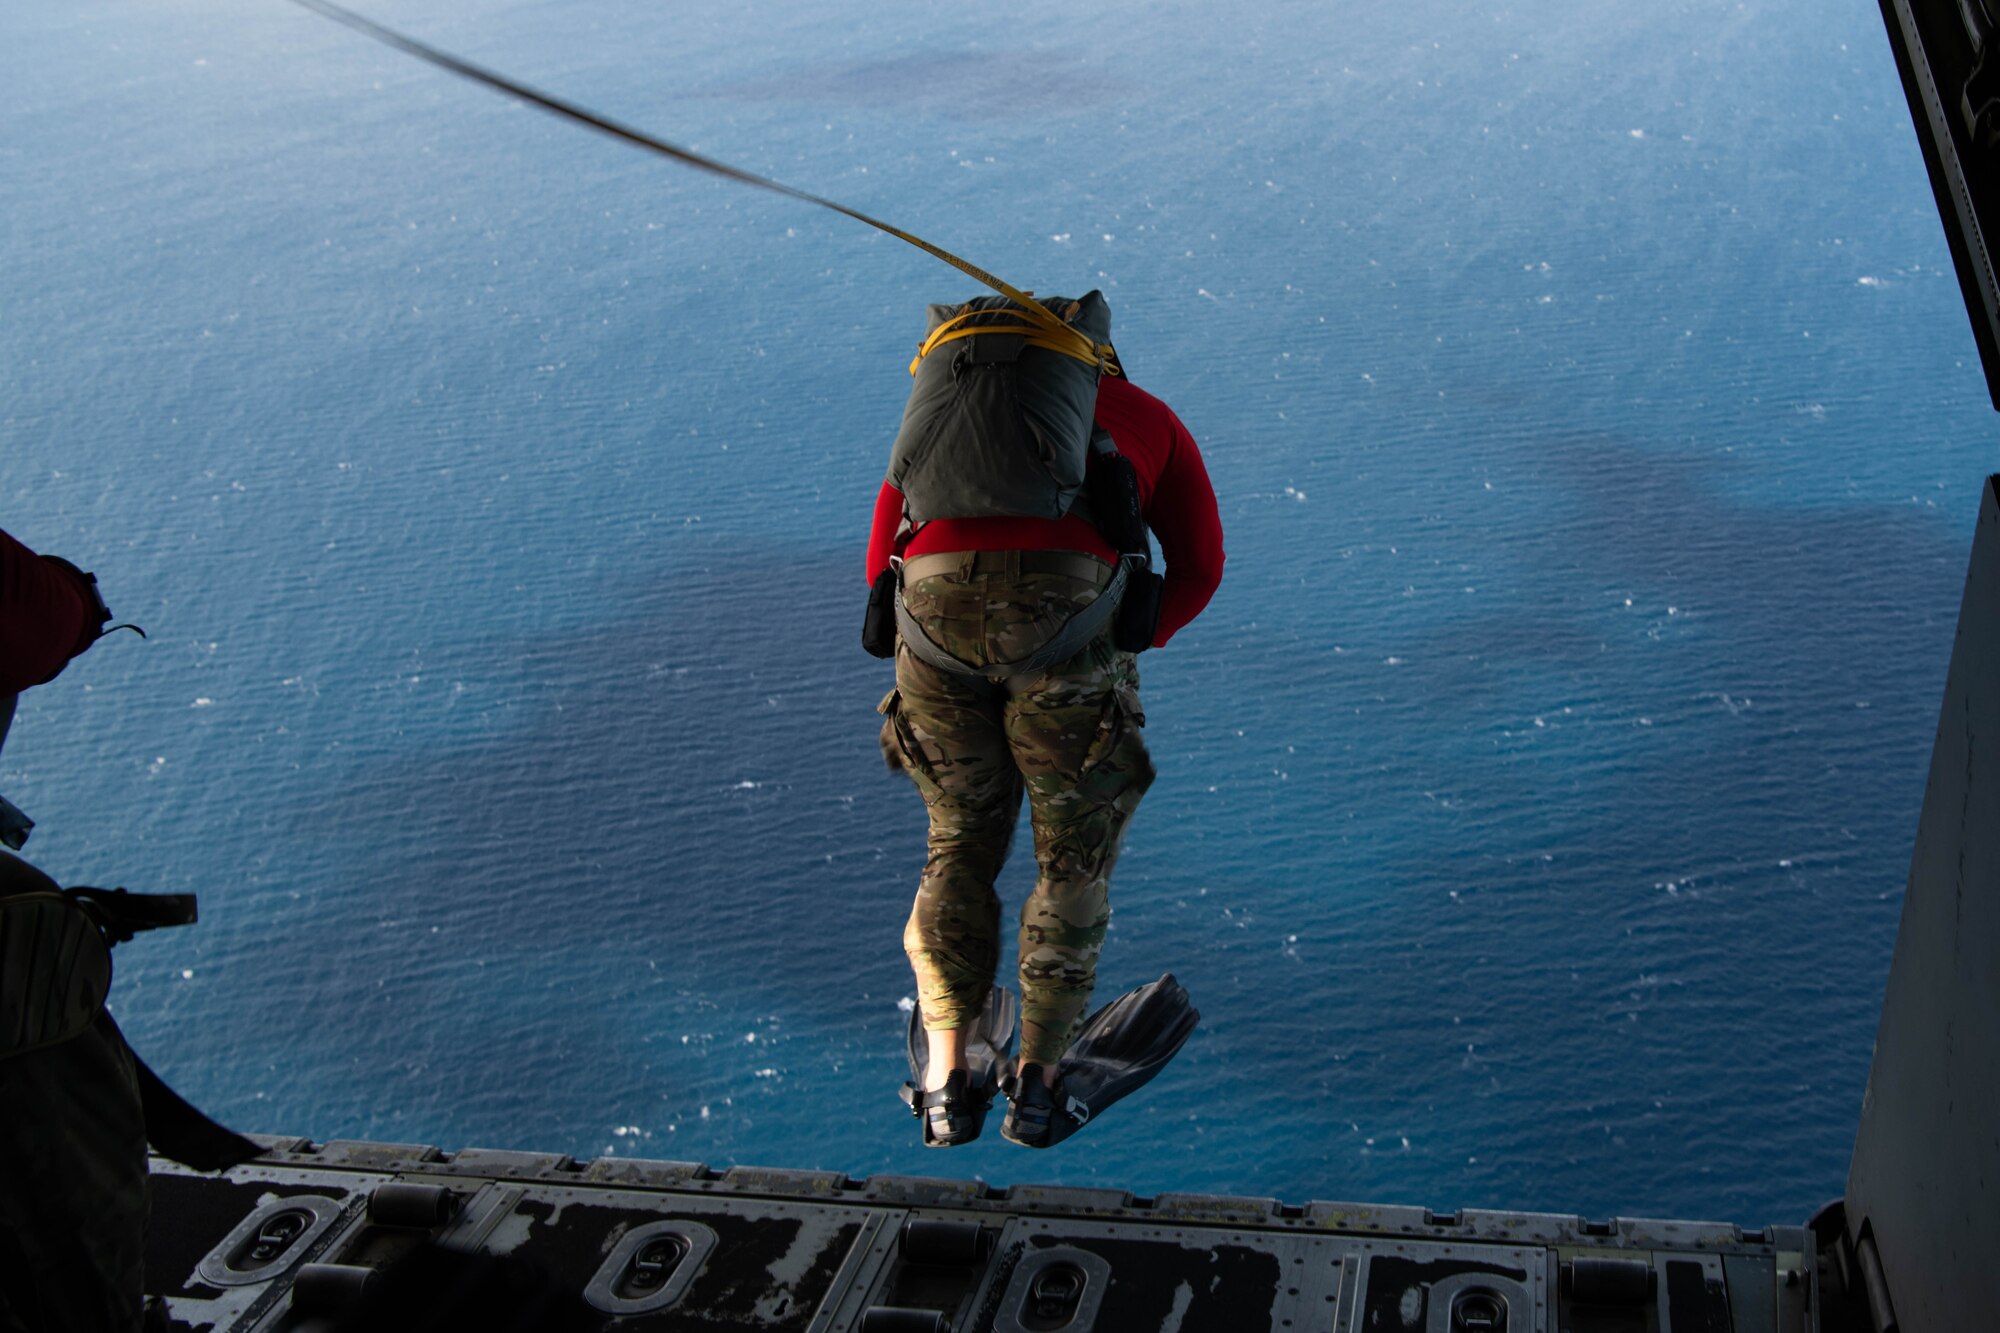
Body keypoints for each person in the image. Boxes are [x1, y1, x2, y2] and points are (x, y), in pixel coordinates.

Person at [868, 313, 1224, 1148]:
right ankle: (1041, 1083)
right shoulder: (1146, 416)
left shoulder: (944, 422)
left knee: (956, 843)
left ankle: (946, 1079)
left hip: (931, 629)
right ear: (1094, 364)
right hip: (1069, 636)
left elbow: (883, 565)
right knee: (1070, 861)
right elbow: (1200, 567)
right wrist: (1122, 637)